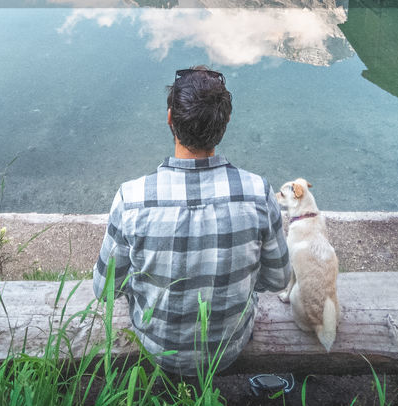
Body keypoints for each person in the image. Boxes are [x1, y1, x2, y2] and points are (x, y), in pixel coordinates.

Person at [93, 66, 290, 375]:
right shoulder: (257, 192)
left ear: (170, 118)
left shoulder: (132, 199)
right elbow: (278, 279)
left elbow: (105, 290)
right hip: (230, 348)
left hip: (158, 347)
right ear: (225, 123)